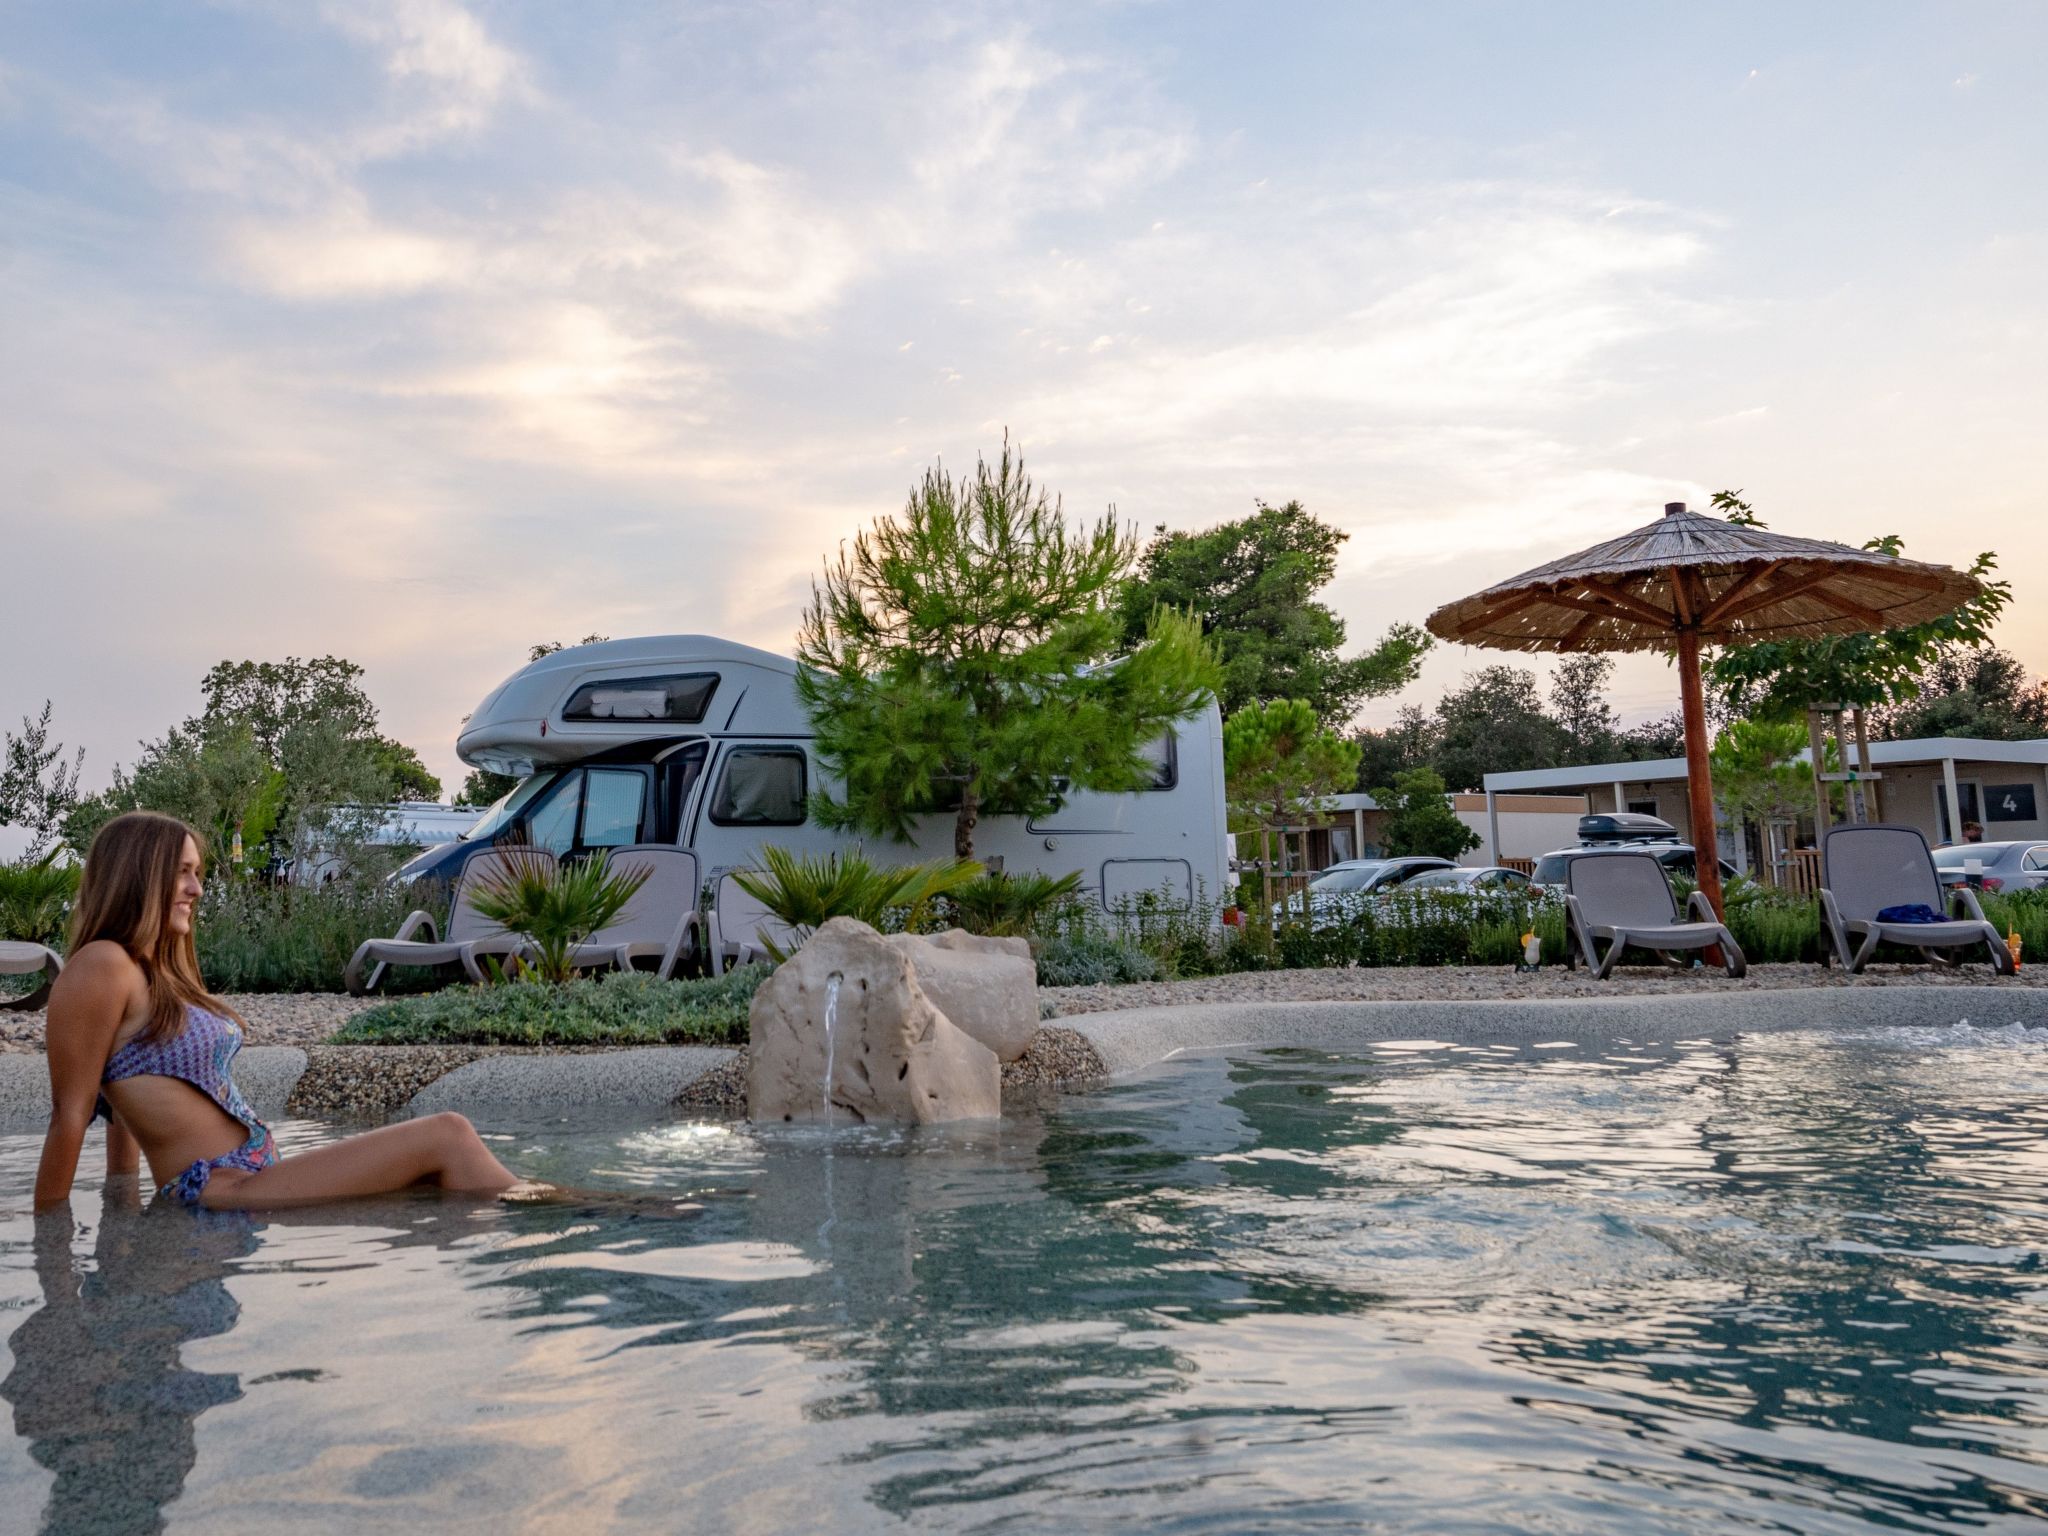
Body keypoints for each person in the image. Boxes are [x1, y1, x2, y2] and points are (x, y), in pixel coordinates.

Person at [35, 811, 522, 1212]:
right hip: (220, 1188)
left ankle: (555, 1215)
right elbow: (69, 1115)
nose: (196, 889)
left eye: (197, 874)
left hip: (251, 1178)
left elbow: (123, 1105)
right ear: (139, 874)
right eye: (183, 872)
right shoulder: (102, 965)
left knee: (448, 1185)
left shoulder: (150, 972)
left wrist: (121, 1201)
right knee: (448, 1136)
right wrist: (50, 1254)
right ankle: (574, 1216)